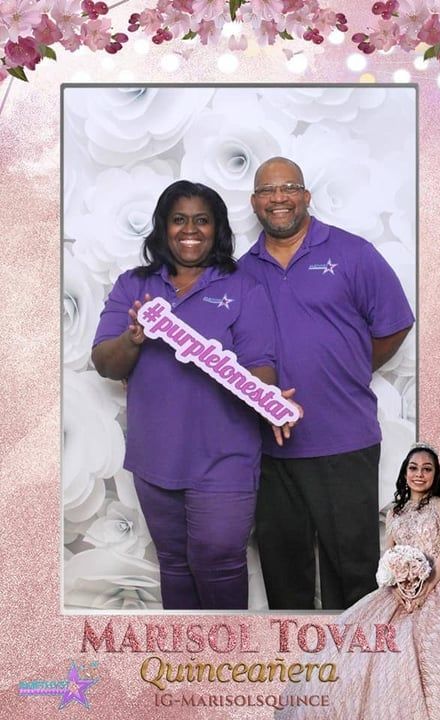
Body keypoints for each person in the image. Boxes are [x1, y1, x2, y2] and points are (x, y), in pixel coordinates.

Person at [92, 179, 292, 611]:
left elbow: (261, 362)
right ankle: (188, 671)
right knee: (175, 564)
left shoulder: (243, 287)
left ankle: (231, 670)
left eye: (202, 220)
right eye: (179, 219)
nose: (190, 229)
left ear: (216, 228)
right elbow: (106, 363)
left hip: (225, 457)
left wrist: (265, 394)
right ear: (163, 227)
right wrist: (134, 338)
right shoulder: (134, 286)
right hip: (154, 459)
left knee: (217, 559)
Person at [239, 156, 415, 610]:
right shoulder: (240, 271)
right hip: (270, 450)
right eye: (267, 191)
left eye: (289, 187)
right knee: (284, 575)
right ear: (255, 202)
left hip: (344, 441)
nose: (279, 198)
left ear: (306, 196)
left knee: (353, 573)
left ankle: (356, 678)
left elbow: (394, 324)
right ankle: (296, 674)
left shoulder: (353, 253)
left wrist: (352, 367)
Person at [278, 444, 440, 720]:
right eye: (413, 468)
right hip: (395, 591)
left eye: (427, 469)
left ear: (436, 474)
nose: (419, 474)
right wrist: (394, 580)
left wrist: (425, 590)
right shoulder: (396, 511)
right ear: (405, 473)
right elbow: (389, 555)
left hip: (436, 587)